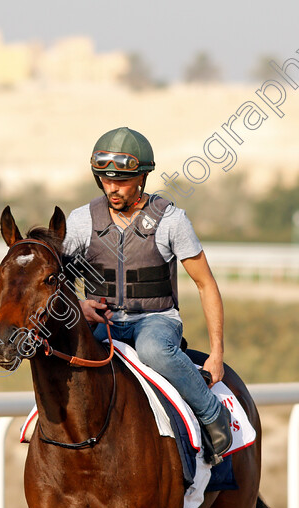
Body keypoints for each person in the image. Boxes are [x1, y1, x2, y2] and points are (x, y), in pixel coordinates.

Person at [62, 126, 232, 464]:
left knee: (153, 349)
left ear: (142, 177)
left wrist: (216, 353)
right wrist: (80, 305)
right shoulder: (81, 221)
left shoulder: (172, 221)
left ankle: (213, 415)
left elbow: (206, 284)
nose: (113, 188)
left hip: (155, 321)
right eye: (106, 179)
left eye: (122, 181)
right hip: (102, 323)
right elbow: (55, 280)